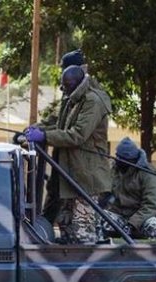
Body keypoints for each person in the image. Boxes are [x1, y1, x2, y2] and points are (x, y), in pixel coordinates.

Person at [24, 65, 112, 244]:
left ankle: (89, 269)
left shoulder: (92, 102)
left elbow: (77, 135)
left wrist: (45, 136)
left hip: (86, 177)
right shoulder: (72, 99)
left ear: (78, 83)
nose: (64, 89)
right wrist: (37, 129)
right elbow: (60, 126)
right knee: (66, 229)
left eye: (67, 85)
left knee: (82, 233)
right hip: (69, 174)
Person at [101, 137, 156, 243]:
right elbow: (105, 191)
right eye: (117, 157)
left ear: (130, 160)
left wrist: (133, 223)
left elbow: (151, 205)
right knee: (97, 219)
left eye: (121, 159)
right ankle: (98, 254)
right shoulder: (115, 170)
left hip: (142, 218)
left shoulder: (147, 173)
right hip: (120, 215)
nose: (117, 161)